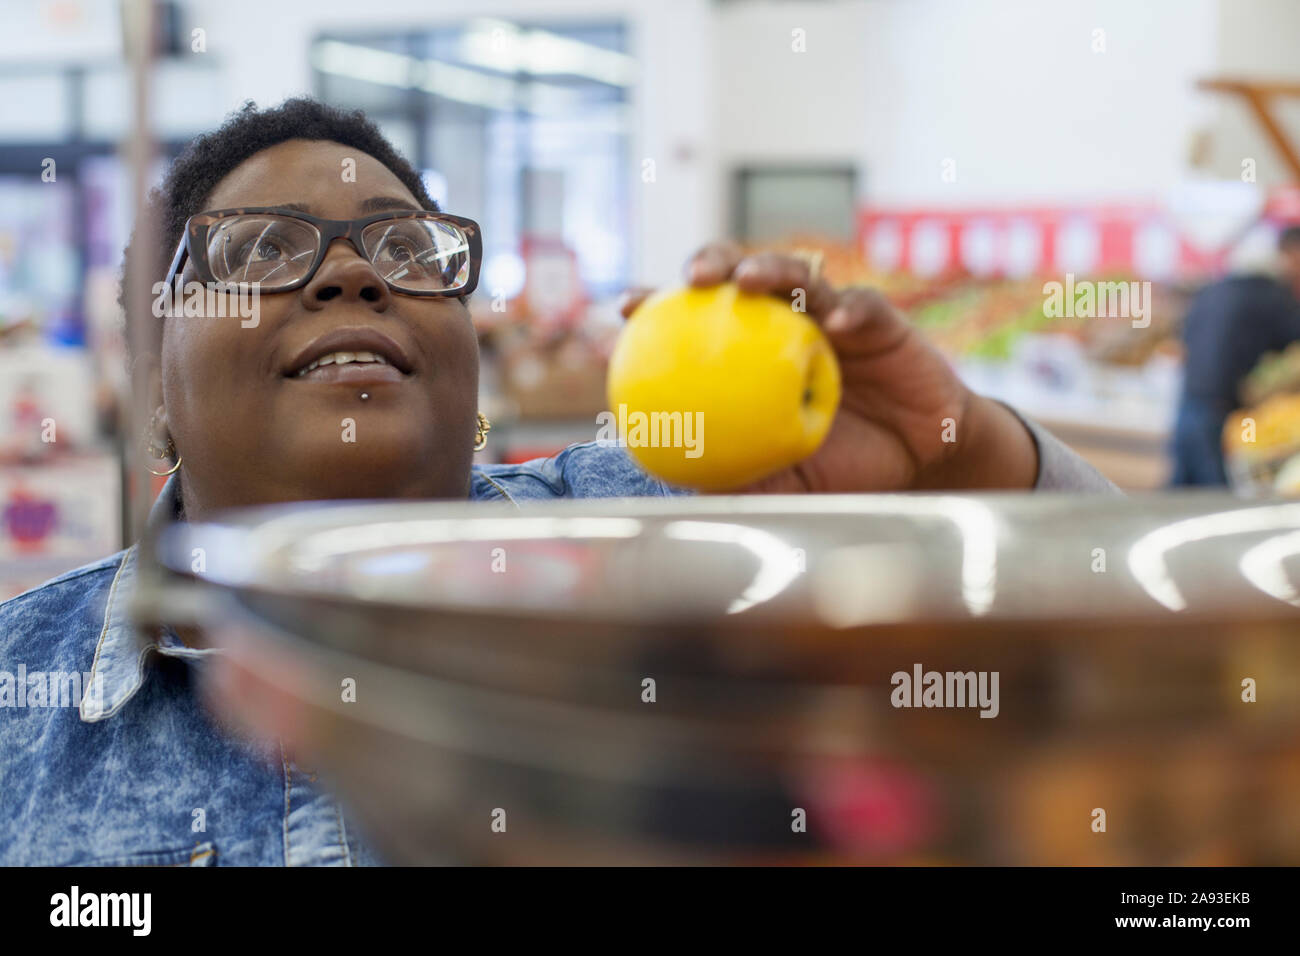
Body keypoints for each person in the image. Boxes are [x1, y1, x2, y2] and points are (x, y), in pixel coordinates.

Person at [0, 98, 1115, 867]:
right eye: (256, 251)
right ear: (148, 383)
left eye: (408, 251)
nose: (350, 273)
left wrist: (950, 456)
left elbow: (1102, 657)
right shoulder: (23, 693)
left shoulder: (674, 545)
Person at [1170, 226, 1300, 486]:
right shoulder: (1274, 298)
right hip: (1223, 414)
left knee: (1179, 494)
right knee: (1219, 501)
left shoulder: (1213, 290)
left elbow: (1184, 340)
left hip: (1187, 405)